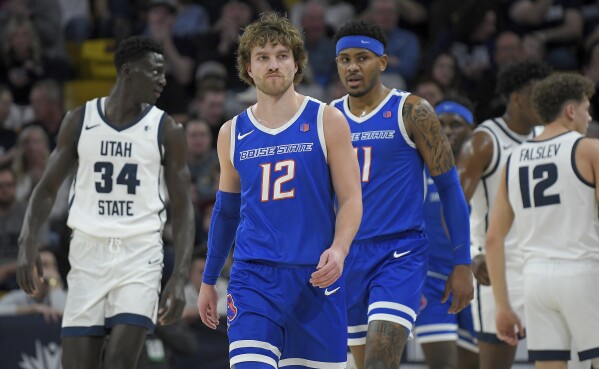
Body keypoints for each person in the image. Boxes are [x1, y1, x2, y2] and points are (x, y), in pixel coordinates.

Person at [16, 36, 195, 369]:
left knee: (118, 363)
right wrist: (27, 240)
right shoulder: (80, 120)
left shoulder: (166, 129)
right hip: (87, 254)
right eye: (154, 72)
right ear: (128, 72)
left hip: (139, 255)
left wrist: (179, 276)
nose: (163, 80)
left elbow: (183, 209)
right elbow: (46, 189)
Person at [197, 12, 363, 369]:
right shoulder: (232, 132)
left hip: (316, 279)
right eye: (263, 57)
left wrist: (339, 249)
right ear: (248, 67)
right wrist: (209, 279)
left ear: (296, 63)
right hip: (254, 279)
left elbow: (351, 200)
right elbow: (227, 212)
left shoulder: (327, 120)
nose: (273, 65)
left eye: (282, 55)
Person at [331, 20, 472, 369]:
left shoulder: (412, 111)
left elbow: (450, 189)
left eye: (362, 58)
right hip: (347, 256)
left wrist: (462, 261)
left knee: (381, 361)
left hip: (399, 254)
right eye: (344, 59)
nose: (352, 67)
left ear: (382, 62)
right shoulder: (327, 117)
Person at [486, 73, 599, 369]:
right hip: (583, 272)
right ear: (571, 111)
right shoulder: (588, 149)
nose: (589, 117)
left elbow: (493, 239)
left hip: (535, 280)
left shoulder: (513, 158)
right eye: (587, 109)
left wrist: (502, 307)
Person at [457, 60, 551, 369]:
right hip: (497, 266)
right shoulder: (485, 141)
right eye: (537, 94)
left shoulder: (549, 138)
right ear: (516, 98)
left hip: (543, 264)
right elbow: (453, 207)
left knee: (557, 358)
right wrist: (470, 254)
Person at [414, 97, 479, 369]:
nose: (448, 130)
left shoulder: (482, 169)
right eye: (440, 124)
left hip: (473, 277)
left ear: (472, 130)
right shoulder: (414, 167)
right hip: (432, 282)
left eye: (456, 124)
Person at [0, 247, 66, 322]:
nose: (50, 270)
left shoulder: (62, 294)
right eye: (44, 265)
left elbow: (63, 315)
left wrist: (54, 284)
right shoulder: (20, 296)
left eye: (54, 265)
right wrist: (33, 309)